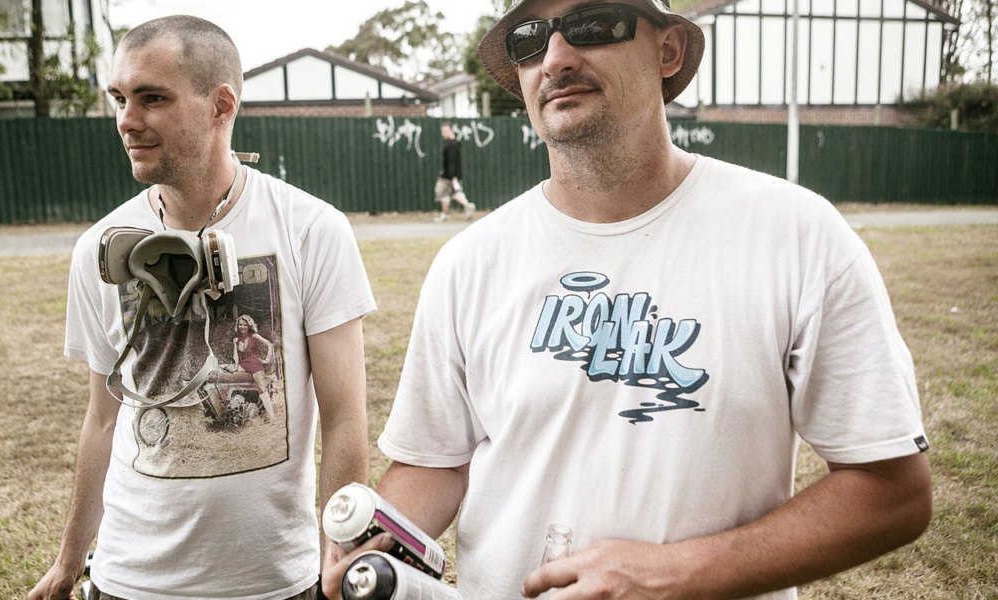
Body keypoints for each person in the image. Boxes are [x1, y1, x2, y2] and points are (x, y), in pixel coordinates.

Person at [329, 0, 933, 599]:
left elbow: (893, 491)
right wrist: (379, 539)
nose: (555, 58)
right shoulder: (469, 263)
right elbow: (434, 462)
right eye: (529, 39)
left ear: (667, 50)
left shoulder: (796, 235)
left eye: (592, 24)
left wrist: (678, 574)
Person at [30, 15, 375, 600]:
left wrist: (336, 563)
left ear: (221, 106)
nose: (126, 120)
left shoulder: (313, 231)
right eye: (119, 98)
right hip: (126, 581)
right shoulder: (99, 249)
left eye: (152, 98)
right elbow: (103, 419)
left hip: (273, 583)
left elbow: (345, 419)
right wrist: (68, 563)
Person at [231, 313, 276, 422]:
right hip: (243, 365)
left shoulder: (254, 336)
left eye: (245, 325)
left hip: (255, 364)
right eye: (240, 324)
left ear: (249, 326)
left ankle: (272, 418)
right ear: (237, 326)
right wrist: (236, 367)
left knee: (262, 388)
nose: (242, 327)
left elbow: (269, 344)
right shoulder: (236, 340)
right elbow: (236, 355)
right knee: (224, 372)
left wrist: (267, 359)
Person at [434, 122, 476, 222]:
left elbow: (452, 162)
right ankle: (468, 205)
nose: (443, 133)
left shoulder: (451, 145)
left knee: (443, 194)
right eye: (442, 131)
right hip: (453, 175)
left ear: (451, 131)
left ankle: (445, 215)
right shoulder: (455, 144)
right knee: (456, 193)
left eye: (445, 131)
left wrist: (452, 176)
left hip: (449, 176)